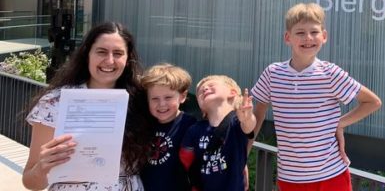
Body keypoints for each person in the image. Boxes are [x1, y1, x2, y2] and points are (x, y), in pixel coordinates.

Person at [251, 2, 382, 191]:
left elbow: (372, 102)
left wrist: (339, 123)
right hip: (290, 178)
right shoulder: (272, 74)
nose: (308, 38)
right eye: (300, 32)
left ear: (324, 36)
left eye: (314, 32)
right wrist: (242, 155)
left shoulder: (330, 73)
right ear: (287, 37)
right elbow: (258, 115)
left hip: (331, 175)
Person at [22, 22, 152, 191]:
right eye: (101, 52)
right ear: (87, 55)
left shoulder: (142, 100)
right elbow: (30, 182)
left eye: (118, 53)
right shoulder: (54, 102)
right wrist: (42, 167)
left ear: (127, 60)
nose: (110, 60)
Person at [179, 75, 256, 191]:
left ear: (232, 92)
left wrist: (247, 117)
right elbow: (186, 159)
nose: (204, 89)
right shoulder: (194, 130)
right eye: (200, 92)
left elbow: (248, 126)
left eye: (211, 85)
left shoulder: (237, 123)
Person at [140, 63, 198, 191]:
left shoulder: (191, 125)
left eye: (168, 97)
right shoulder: (144, 125)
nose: (161, 104)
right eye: (155, 98)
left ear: (182, 97)